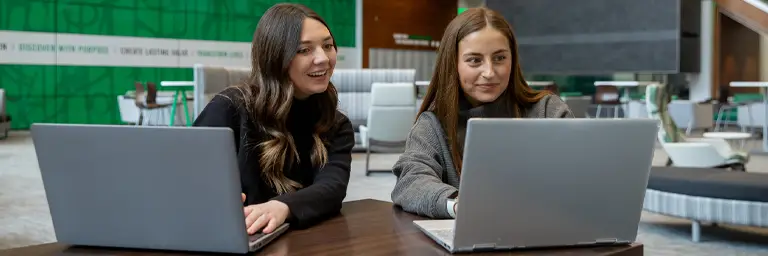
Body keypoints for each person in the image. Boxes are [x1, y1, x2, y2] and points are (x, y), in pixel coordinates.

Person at [390, 7, 574, 218]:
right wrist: (461, 204)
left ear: (512, 60)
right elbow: (412, 181)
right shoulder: (432, 125)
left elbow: (582, 170)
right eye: (474, 60)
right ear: (453, 64)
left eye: (499, 58)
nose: (489, 72)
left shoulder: (548, 111)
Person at [193, 3, 354, 235]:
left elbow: (332, 188)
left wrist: (283, 207)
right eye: (304, 50)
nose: (323, 59)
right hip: (228, 235)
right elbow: (187, 179)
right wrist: (209, 196)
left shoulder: (336, 124)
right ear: (276, 57)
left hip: (297, 241)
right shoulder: (230, 107)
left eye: (328, 46)